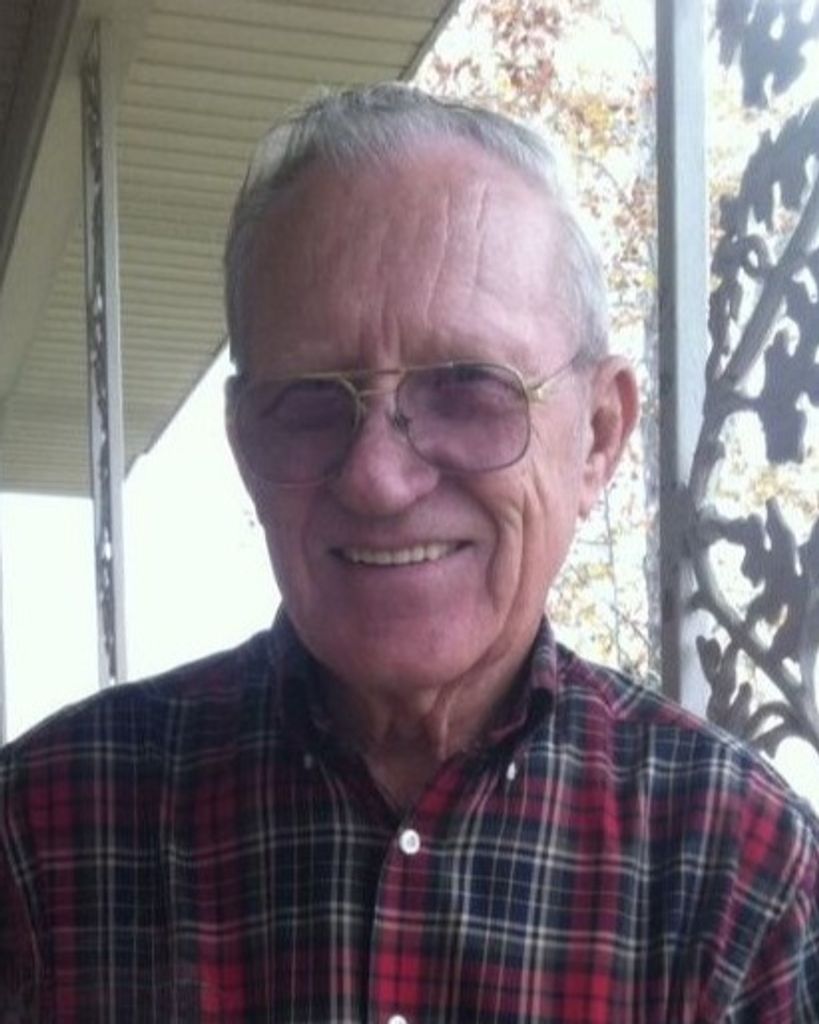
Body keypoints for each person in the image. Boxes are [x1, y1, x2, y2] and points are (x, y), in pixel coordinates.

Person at [1, 83, 817, 1023]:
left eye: (469, 390)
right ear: (246, 446)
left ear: (597, 436)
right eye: (310, 401)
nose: (377, 479)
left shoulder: (741, 870)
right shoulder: (45, 838)